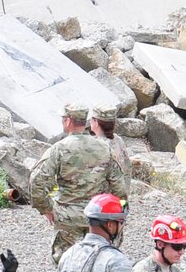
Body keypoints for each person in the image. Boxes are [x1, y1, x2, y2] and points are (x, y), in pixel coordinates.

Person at [29, 102, 128, 262]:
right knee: (99, 265)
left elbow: (37, 182)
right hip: (98, 217)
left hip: (68, 219)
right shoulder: (104, 148)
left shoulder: (58, 149)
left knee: (67, 266)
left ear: (68, 121)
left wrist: (46, 209)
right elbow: (119, 188)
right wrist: (115, 215)